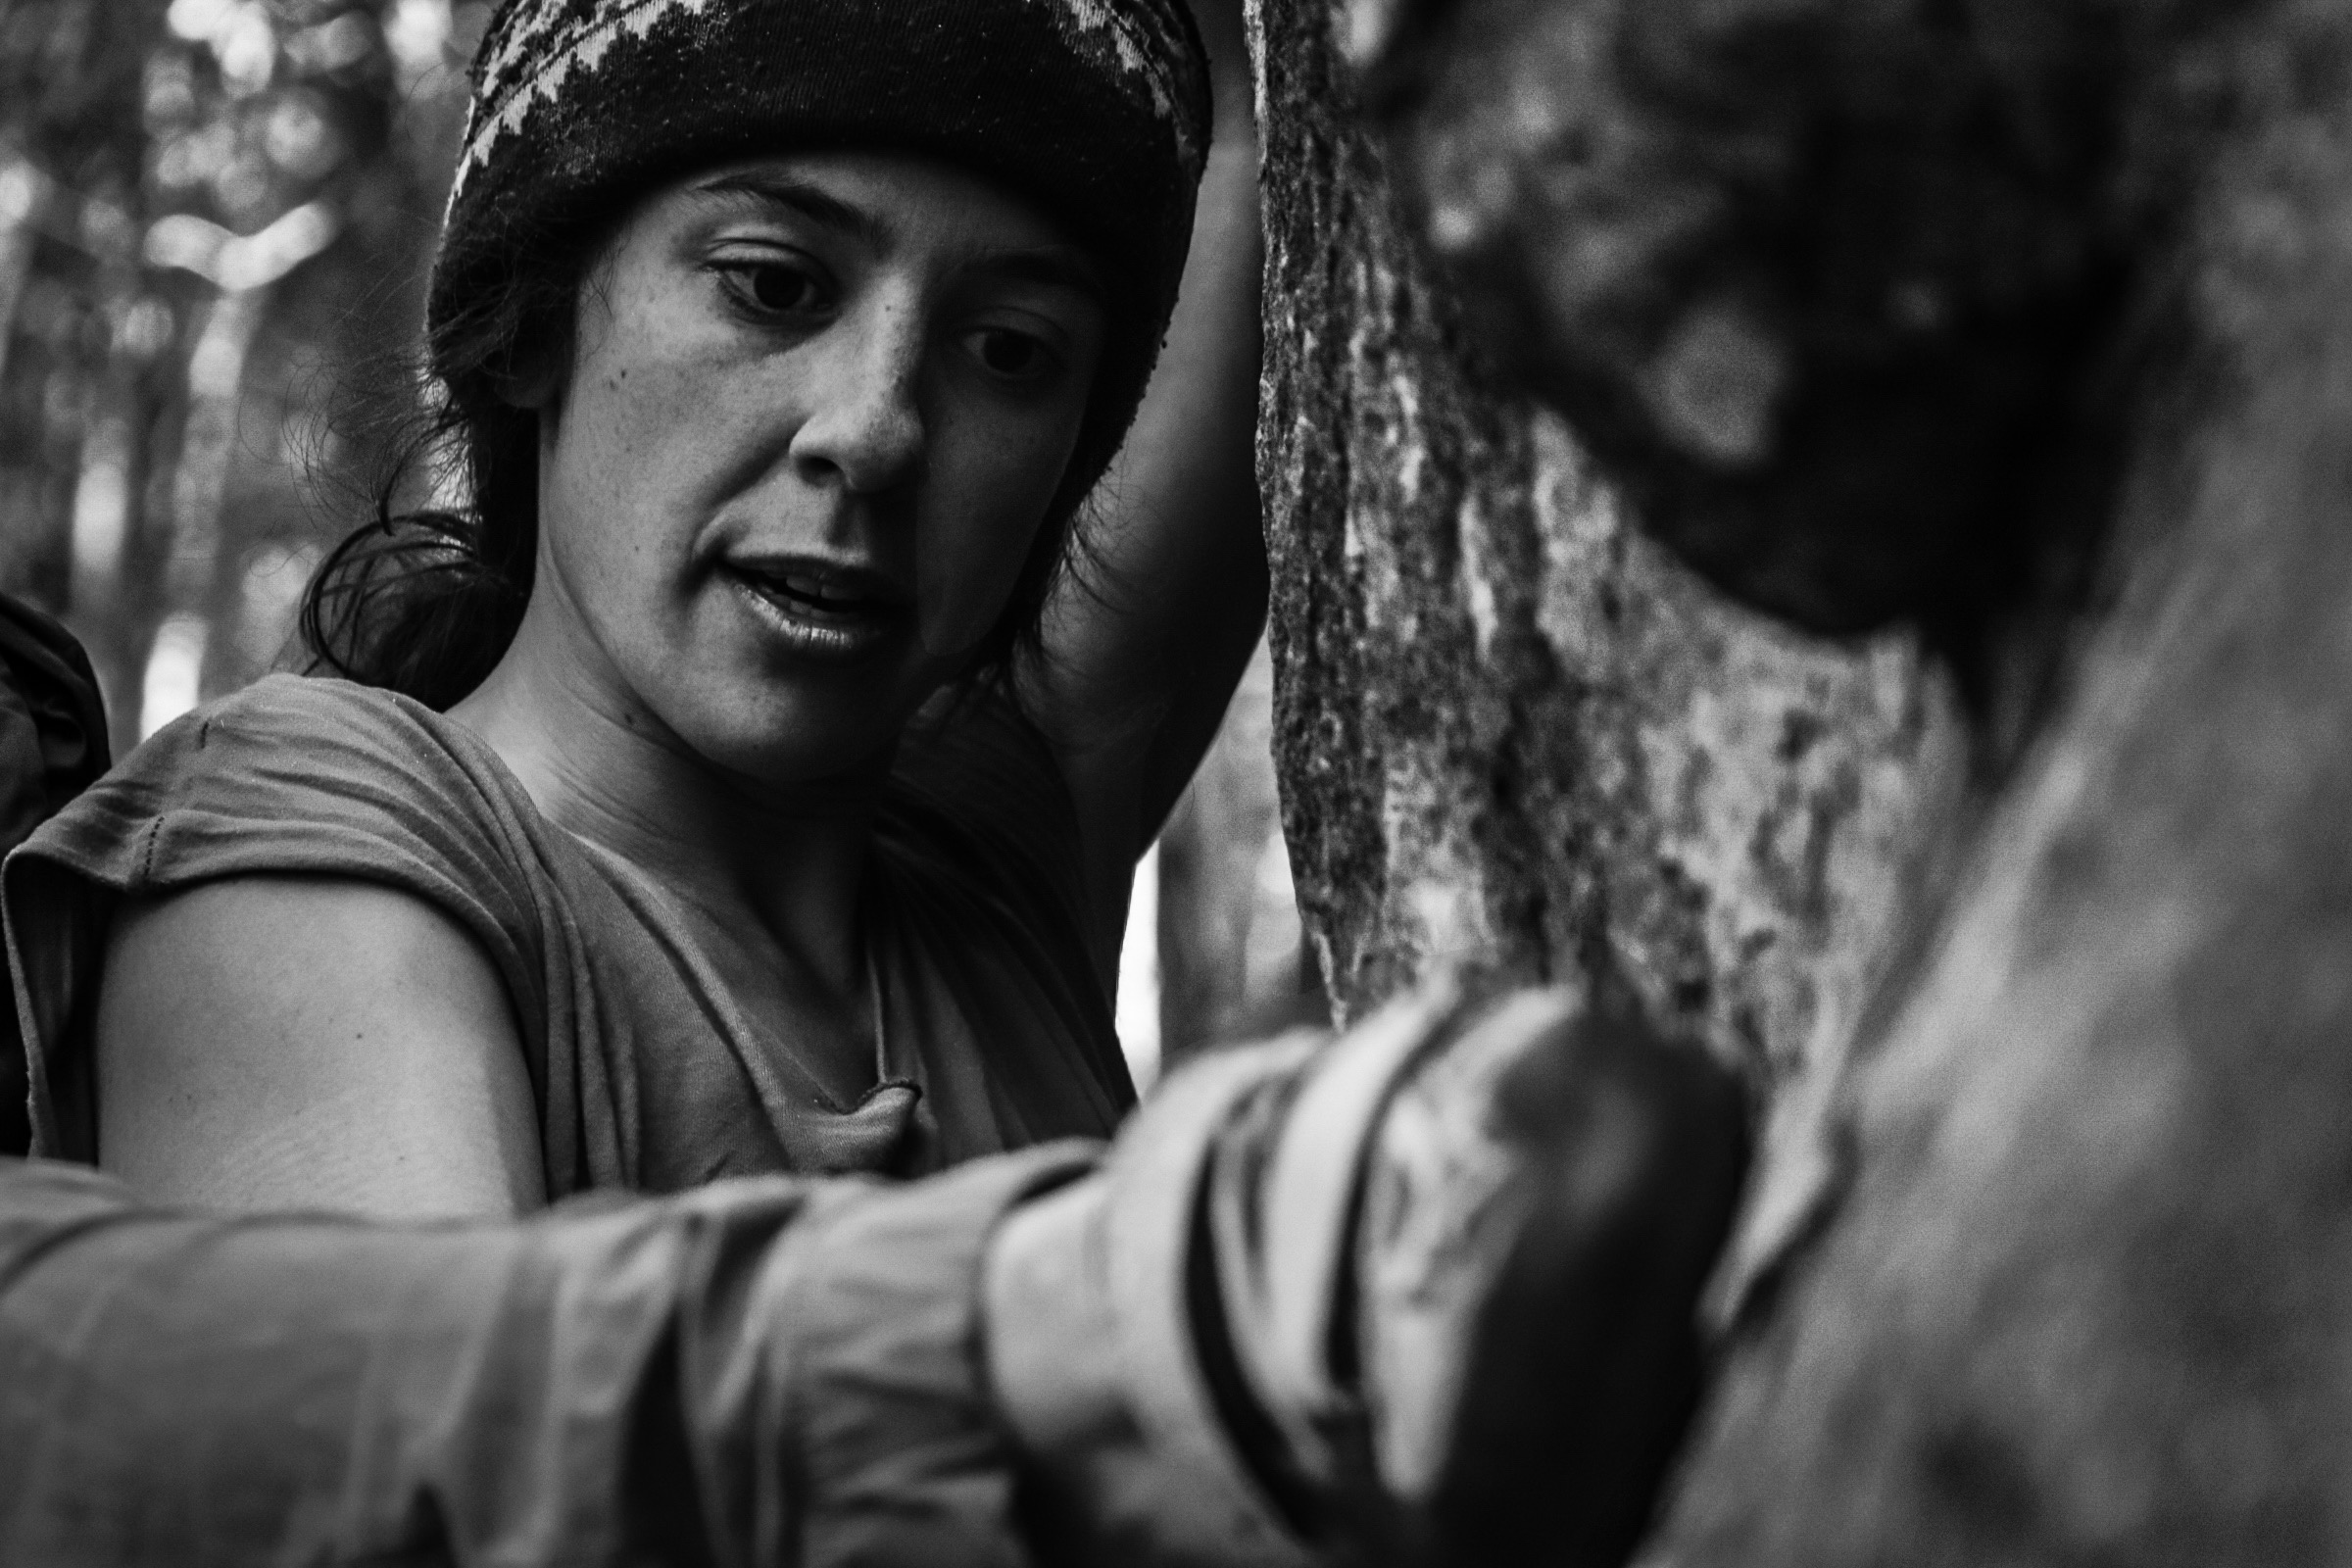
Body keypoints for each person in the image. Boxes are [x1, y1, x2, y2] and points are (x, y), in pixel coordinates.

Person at [0, 0, 1748, 1560]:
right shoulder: (305, 829)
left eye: (1011, 353)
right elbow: (419, 1467)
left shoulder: (991, 848)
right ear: (531, 324)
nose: (880, 429)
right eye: (774, 284)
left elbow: (1255, 138)